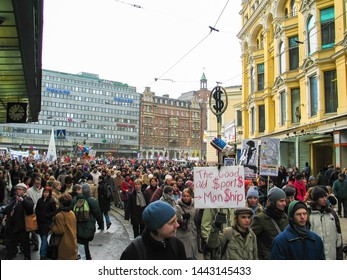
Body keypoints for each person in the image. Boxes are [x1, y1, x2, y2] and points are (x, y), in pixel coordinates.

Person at [120, 200, 186, 260]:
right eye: (172, 222)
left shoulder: (177, 245)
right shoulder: (132, 254)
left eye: (176, 220)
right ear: (156, 226)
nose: (177, 225)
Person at [251, 187, 288, 260]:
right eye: (281, 201)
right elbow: (250, 238)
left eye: (285, 201)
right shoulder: (260, 218)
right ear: (273, 202)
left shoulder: (285, 217)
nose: (284, 204)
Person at [71, 183, 104, 260]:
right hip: (88, 226)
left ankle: (86, 257)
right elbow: (98, 214)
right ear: (89, 191)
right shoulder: (92, 201)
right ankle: (86, 258)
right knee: (85, 244)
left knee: (82, 244)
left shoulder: (75, 200)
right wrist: (101, 224)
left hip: (77, 225)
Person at [308, 186, 343, 260]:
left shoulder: (332, 213)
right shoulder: (309, 214)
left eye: (325, 196)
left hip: (331, 255)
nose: (324, 199)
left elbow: (338, 236)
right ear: (316, 198)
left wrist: (339, 257)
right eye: (321, 197)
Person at [2, 183, 34, 260]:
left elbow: (30, 207)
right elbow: (8, 209)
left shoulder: (27, 199)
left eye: (20, 190)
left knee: (25, 245)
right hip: (13, 226)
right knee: (10, 245)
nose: (17, 191)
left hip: (22, 226)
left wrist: (22, 201)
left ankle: (27, 258)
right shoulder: (15, 199)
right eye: (17, 189)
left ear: (24, 191)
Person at [50, 193, 78, 260]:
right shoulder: (72, 213)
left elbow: (59, 230)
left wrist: (52, 226)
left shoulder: (60, 215)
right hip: (73, 241)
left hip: (63, 242)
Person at [175, 188, 198, 259]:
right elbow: (175, 218)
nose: (185, 198)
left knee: (193, 253)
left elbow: (197, 216)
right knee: (185, 254)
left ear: (190, 196)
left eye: (187, 196)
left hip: (192, 231)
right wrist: (182, 217)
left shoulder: (195, 205)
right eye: (184, 196)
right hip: (182, 233)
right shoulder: (177, 206)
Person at [35, 186, 57, 259]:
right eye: (45, 192)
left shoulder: (51, 201)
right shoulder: (40, 200)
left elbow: (54, 211)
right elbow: (37, 209)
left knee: (44, 238)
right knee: (43, 238)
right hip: (39, 222)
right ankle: (46, 252)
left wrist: (47, 215)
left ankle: (42, 254)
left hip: (47, 222)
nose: (45, 194)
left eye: (47, 192)